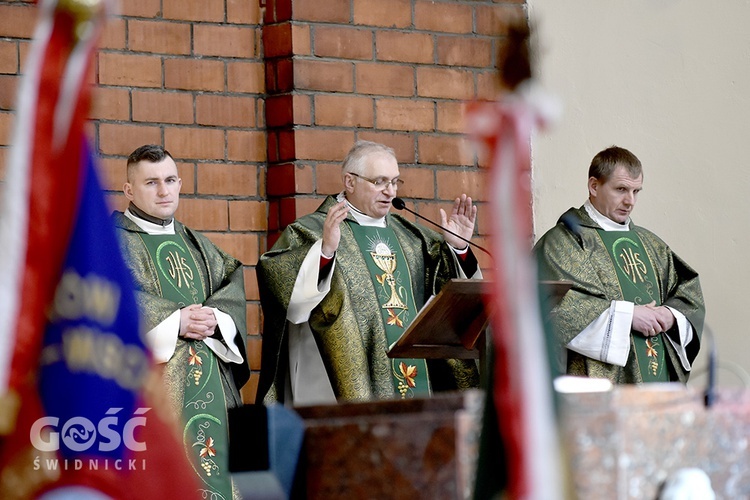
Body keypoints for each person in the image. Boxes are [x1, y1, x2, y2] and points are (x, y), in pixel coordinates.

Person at [256, 140, 482, 405]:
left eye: (395, 182)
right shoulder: (312, 230)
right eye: (380, 182)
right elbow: (288, 299)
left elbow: (449, 296)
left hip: (419, 383)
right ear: (350, 182)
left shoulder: (414, 238)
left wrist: (459, 248)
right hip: (335, 384)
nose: (390, 191)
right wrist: (326, 251)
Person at [112, 144, 249, 499]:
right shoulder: (109, 244)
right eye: (151, 182)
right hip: (148, 397)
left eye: (170, 180)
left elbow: (231, 283)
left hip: (214, 394)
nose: (163, 191)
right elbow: (108, 300)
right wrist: (174, 322)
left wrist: (215, 318)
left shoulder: (198, 245)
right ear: (129, 190)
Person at [533, 146, 705, 384]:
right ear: (594, 186)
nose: (630, 201)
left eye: (636, 191)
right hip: (596, 390)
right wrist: (628, 316)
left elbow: (688, 293)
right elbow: (552, 308)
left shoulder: (651, 244)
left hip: (658, 384)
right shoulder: (563, 242)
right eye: (621, 189)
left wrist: (671, 315)